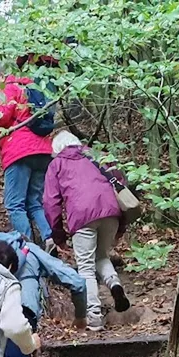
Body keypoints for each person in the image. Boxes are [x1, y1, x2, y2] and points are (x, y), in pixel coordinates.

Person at [44, 131, 131, 332]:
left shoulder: (57, 164)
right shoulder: (97, 155)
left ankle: (93, 316)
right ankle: (115, 284)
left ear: (57, 150)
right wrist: (122, 224)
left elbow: (51, 202)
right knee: (101, 255)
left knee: (85, 266)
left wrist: (58, 235)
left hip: (83, 216)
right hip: (111, 211)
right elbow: (120, 184)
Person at [0, 62, 54, 248]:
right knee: (34, 202)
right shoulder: (31, 87)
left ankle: (27, 248)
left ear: (2, 76)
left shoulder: (10, 87)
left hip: (20, 151)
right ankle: (48, 238)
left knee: (14, 204)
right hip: (42, 151)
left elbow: (0, 116)